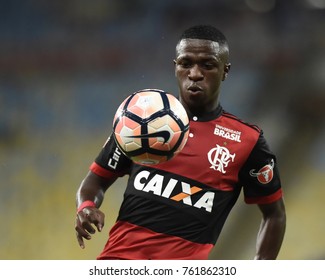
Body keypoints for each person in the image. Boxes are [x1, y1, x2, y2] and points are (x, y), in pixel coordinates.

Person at [74, 25, 286, 260]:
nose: (195, 73)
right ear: (176, 67)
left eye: (207, 65)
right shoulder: (140, 119)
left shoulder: (247, 141)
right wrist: (86, 207)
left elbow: (274, 214)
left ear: (225, 71)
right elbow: (95, 181)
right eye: (186, 63)